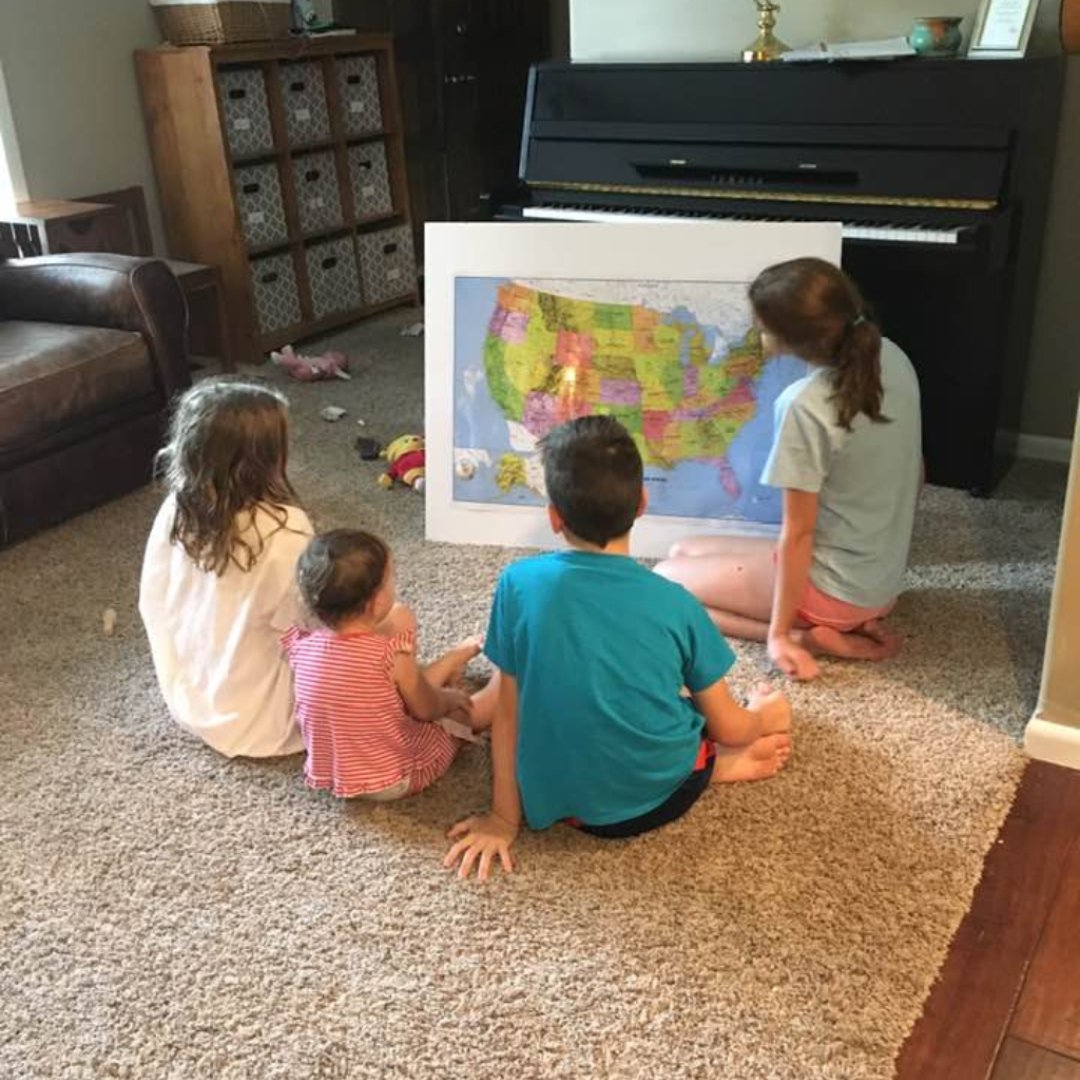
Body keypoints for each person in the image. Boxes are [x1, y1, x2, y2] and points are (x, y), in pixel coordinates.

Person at [443, 415, 793, 881]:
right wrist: (759, 718)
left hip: (563, 807)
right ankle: (719, 768)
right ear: (643, 503)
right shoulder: (676, 604)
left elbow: (508, 709)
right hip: (659, 799)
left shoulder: (517, 585)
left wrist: (504, 819)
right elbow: (728, 725)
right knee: (706, 710)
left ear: (554, 518)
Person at [654, 257, 922, 682]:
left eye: (762, 327)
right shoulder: (894, 357)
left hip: (837, 590)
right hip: (879, 581)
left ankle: (803, 636)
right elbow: (918, 471)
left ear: (786, 340)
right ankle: (834, 622)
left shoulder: (804, 405)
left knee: (662, 584)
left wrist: (779, 635)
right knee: (682, 551)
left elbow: (798, 534)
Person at [139, 378, 312, 758]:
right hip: (261, 721)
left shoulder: (177, 509)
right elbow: (305, 625)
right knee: (372, 624)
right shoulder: (288, 529)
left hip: (191, 697)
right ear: (267, 457)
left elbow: (153, 600)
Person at [283, 529, 496, 801]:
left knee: (397, 690)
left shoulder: (301, 644)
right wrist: (452, 698)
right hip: (392, 779)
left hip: (333, 773)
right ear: (377, 601)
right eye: (390, 579)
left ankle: (453, 658)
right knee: (456, 717)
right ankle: (476, 690)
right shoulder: (390, 655)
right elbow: (426, 709)